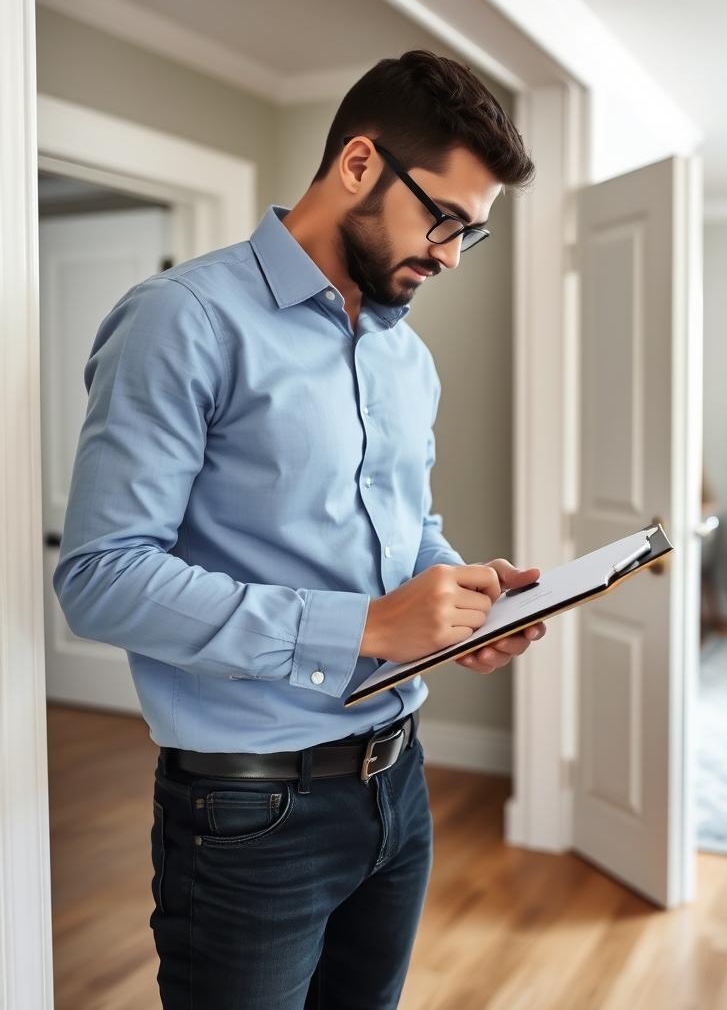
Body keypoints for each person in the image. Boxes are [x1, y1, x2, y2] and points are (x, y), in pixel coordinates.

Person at [54, 50, 543, 1010]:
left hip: (398, 785)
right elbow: (101, 577)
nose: (449, 254)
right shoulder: (182, 320)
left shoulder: (409, 360)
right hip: (248, 810)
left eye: (469, 236)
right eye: (443, 218)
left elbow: (409, 529)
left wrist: (460, 600)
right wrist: (365, 627)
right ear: (359, 164)